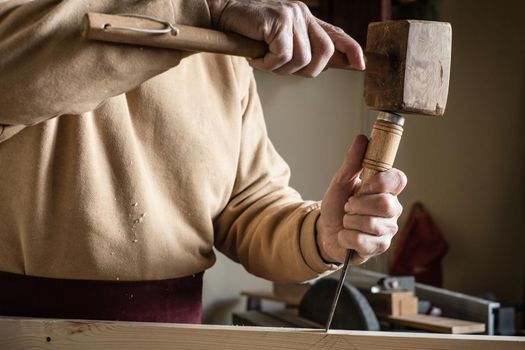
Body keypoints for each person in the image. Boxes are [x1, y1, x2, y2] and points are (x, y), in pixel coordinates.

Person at [0, 0, 406, 323]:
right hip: (22, 331)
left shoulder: (221, 44)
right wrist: (205, 7)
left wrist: (321, 236)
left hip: (177, 334)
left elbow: (248, 205)